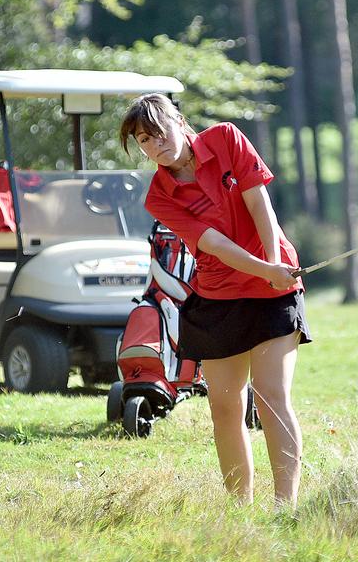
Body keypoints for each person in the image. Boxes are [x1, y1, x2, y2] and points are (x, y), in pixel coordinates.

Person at [119, 94, 310, 507]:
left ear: (179, 120)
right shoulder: (158, 195)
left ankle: (284, 506)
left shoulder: (226, 138)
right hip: (218, 296)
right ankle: (240, 509)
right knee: (224, 407)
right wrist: (263, 270)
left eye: (159, 131)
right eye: (144, 141)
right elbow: (213, 243)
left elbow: (260, 204)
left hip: (274, 288)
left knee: (271, 396)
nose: (156, 145)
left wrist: (273, 267)